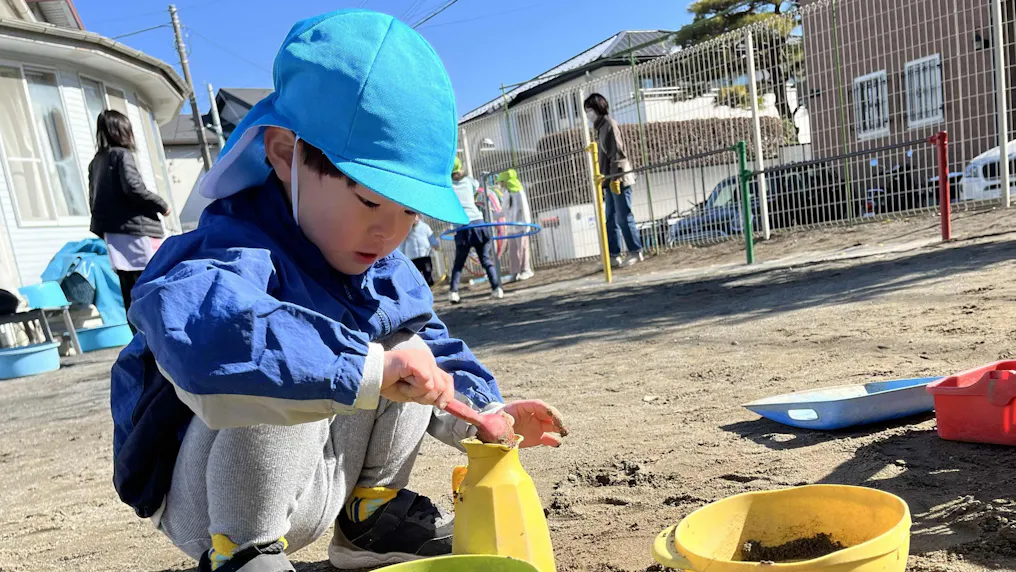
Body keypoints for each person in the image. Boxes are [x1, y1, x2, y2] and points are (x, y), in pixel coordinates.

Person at [108, 11, 565, 572]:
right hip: (208, 492)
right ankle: (243, 553)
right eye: (371, 201)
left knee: (407, 343)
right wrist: (368, 367)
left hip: (318, 476)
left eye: (408, 211)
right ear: (283, 153)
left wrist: (486, 412)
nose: (389, 231)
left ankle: (370, 518)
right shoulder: (228, 250)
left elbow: (435, 359)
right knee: (298, 345)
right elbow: (212, 341)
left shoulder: (382, 270)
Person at [87, 109, 171, 324]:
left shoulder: (96, 161)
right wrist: (161, 205)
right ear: (122, 131)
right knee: (149, 281)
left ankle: (140, 341)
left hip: (113, 233)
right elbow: (133, 188)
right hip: (134, 229)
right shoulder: (122, 155)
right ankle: (158, 335)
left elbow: (93, 199)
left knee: (129, 287)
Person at [584, 93, 644, 268]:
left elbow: (617, 153)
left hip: (619, 177)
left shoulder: (609, 124)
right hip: (609, 179)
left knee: (623, 216)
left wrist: (616, 177)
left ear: (598, 108)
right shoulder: (600, 127)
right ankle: (613, 255)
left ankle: (635, 251)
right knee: (610, 218)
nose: (588, 114)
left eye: (589, 110)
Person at [448, 157, 502, 304]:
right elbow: (477, 188)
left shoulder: (448, 185)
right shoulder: (469, 181)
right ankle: (497, 289)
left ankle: (453, 292)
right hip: (478, 222)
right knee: (485, 259)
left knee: (459, 263)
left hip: (462, 225)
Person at [497, 169, 534, 281]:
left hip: (521, 226)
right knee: (512, 251)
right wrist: (492, 216)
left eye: (501, 182)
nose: (500, 184)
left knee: (522, 248)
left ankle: (526, 270)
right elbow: (504, 211)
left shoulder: (519, 192)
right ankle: (514, 272)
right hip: (511, 228)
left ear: (506, 181)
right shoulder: (507, 193)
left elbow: (525, 209)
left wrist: (526, 225)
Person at [399, 216, 439, 286]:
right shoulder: (406, 228)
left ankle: (430, 290)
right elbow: (402, 244)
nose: (414, 219)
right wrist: (402, 255)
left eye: (415, 217)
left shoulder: (425, 227)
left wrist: (435, 244)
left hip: (425, 255)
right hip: (412, 257)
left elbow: (431, 237)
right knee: (414, 277)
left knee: (428, 274)